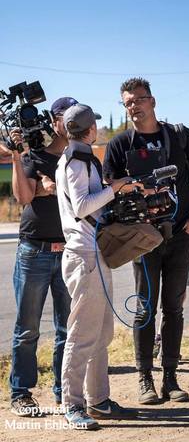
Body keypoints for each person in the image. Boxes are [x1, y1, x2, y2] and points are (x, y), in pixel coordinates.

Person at [103, 77, 189, 404]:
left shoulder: (180, 136)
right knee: (145, 310)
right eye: (128, 103)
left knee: (174, 309)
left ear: (152, 101)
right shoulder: (120, 144)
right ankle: (144, 381)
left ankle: (171, 379)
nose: (134, 107)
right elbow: (109, 184)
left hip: (180, 234)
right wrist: (136, 186)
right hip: (142, 237)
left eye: (138, 100)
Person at [56, 103, 138, 429]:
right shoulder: (77, 163)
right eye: (96, 127)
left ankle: (99, 400)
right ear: (90, 131)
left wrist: (117, 191)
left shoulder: (84, 158)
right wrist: (115, 188)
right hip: (83, 256)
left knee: (101, 333)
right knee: (82, 334)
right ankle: (73, 404)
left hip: (95, 253)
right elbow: (81, 206)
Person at [8, 97, 77, 416]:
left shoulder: (81, 159)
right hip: (33, 251)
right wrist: (14, 156)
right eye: (68, 117)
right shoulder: (34, 156)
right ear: (55, 122)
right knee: (27, 329)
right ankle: (21, 393)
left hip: (70, 253)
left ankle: (64, 392)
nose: (75, 122)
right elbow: (23, 196)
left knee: (68, 329)